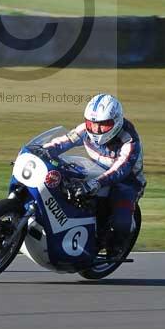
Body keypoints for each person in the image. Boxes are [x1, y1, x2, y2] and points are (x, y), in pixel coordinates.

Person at [42, 93, 146, 257]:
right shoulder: (85, 130)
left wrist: (96, 183)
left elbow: (120, 169)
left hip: (126, 181)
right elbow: (63, 142)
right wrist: (41, 151)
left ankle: (118, 245)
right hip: (95, 170)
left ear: (116, 121)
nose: (96, 130)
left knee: (121, 217)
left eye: (103, 125)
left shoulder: (129, 141)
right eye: (92, 124)